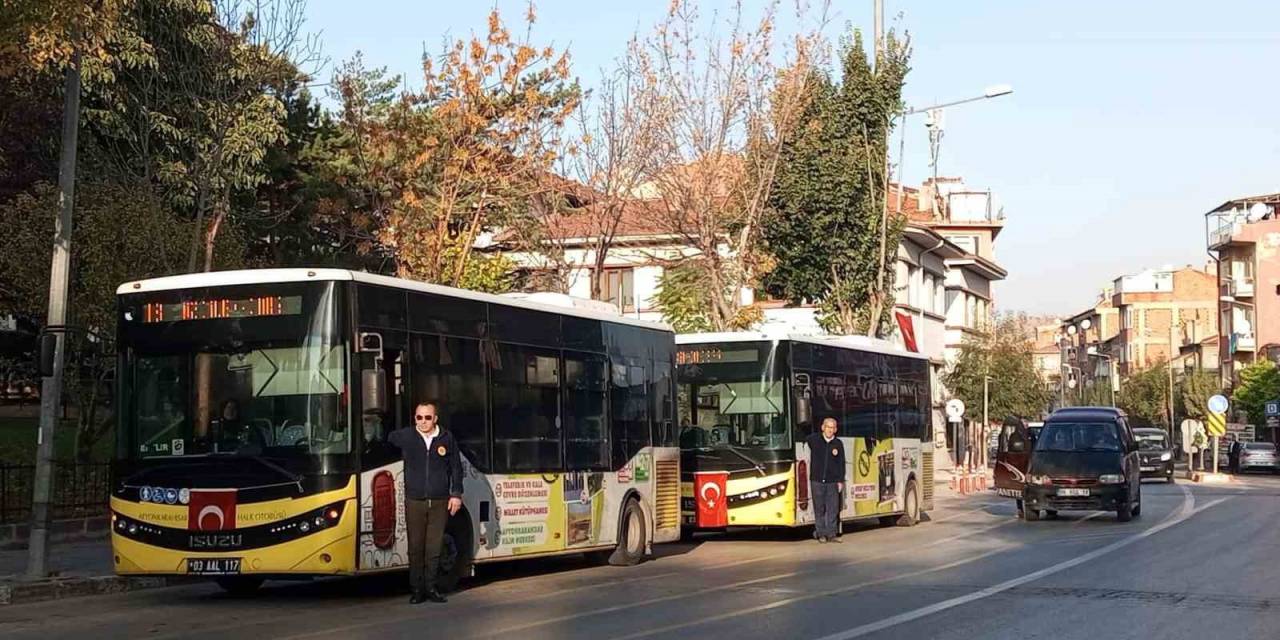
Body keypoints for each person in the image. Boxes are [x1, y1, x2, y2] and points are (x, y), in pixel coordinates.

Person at [388, 402, 464, 604]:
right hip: (415, 500)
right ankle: (417, 590)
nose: (423, 421)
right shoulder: (407, 436)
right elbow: (387, 438)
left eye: (427, 417)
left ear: (435, 419)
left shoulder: (446, 438)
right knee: (415, 547)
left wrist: (456, 494)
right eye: (419, 417)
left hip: (439, 500)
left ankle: (431, 588)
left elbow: (456, 468)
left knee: (434, 547)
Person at [805, 417, 845, 543]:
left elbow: (841, 463)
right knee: (819, 508)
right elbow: (804, 433)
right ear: (823, 427)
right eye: (828, 427)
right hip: (817, 480)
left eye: (832, 428)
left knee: (833, 508)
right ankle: (821, 534)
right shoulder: (815, 440)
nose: (830, 430)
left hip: (832, 481)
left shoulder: (838, 444)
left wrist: (840, 480)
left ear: (836, 429)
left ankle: (831, 534)